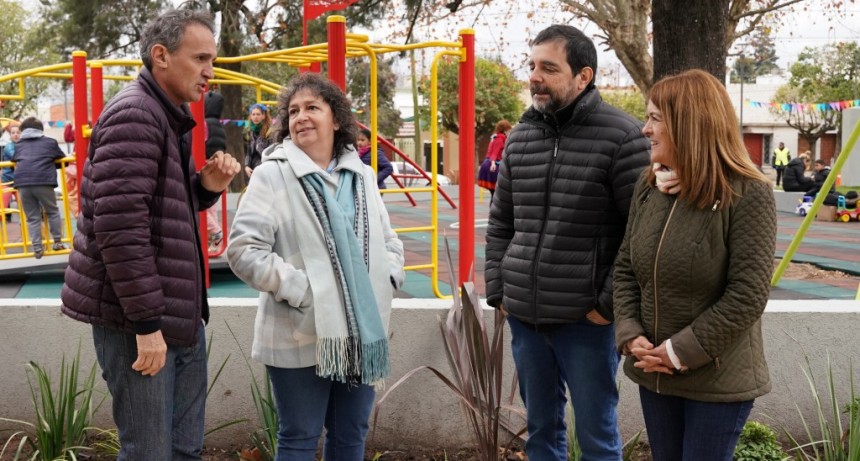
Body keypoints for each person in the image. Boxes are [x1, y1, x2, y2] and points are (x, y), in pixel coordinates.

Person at [60, 10, 240, 460]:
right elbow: (120, 229)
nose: (209, 72)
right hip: (139, 324)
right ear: (161, 56)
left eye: (212, 60)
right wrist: (147, 327)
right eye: (200, 58)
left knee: (182, 450)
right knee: (150, 453)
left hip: (172, 318)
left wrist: (205, 189)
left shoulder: (166, 114)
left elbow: (160, 213)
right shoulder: (136, 114)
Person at [484, 24, 650, 461]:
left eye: (549, 68)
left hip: (586, 321)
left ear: (583, 76)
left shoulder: (623, 136)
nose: (535, 76)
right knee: (541, 431)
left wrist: (606, 305)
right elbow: (501, 221)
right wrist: (499, 290)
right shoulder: (520, 137)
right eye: (533, 66)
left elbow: (640, 231)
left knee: (597, 437)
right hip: (525, 317)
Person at [227, 72, 405, 461]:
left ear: (337, 119)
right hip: (299, 331)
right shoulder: (272, 175)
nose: (301, 117)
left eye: (312, 107)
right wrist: (304, 291)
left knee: (351, 435)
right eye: (293, 111)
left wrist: (386, 279)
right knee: (300, 437)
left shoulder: (361, 176)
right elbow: (243, 250)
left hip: (360, 332)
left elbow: (390, 241)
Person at [613, 69, 776, 461]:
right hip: (655, 373)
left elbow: (748, 294)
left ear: (688, 124)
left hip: (716, 382)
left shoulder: (748, 193)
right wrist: (631, 332)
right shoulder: (648, 185)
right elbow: (625, 268)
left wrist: (678, 352)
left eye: (655, 119)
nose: (644, 129)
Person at [11, 117, 68, 258]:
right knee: (52, 212)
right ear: (40, 130)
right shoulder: (50, 142)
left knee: (32, 217)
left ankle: (37, 248)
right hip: (43, 181)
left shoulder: (19, 145)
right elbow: (63, 160)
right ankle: (57, 242)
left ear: (23, 131)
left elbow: (15, 160)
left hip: (23, 182)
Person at [204, 89, 227, 250]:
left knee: (203, 206)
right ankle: (213, 237)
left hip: (206, 164)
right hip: (217, 165)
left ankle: (215, 232)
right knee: (211, 205)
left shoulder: (204, 123)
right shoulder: (218, 124)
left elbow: (200, 142)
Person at [477, 120, 512, 202]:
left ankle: (493, 212)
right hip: (493, 165)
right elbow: (494, 153)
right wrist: (493, 164)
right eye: (508, 130)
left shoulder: (495, 137)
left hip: (489, 163)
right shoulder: (500, 138)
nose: (509, 131)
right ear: (504, 130)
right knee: (496, 193)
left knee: (495, 193)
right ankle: (494, 212)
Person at [244, 102, 272, 178]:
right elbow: (248, 152)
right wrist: (246, 166)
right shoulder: (250, 132)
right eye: (253, 114)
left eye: (258, 114)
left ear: (263, 116)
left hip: (265, 165)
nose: (255, 117)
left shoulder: (269, 131)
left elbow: (271, 151)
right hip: (252, 166)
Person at [2, 124, 20, 212]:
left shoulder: (22, 145)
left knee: (23, 206)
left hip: (18, 180)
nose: (15, 134)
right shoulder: (9, 146)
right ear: (10, 135)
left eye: (18, 132)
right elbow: (14, 156)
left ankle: (24, 224)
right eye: (13, 133)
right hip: (8, 180)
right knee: (3, 207)